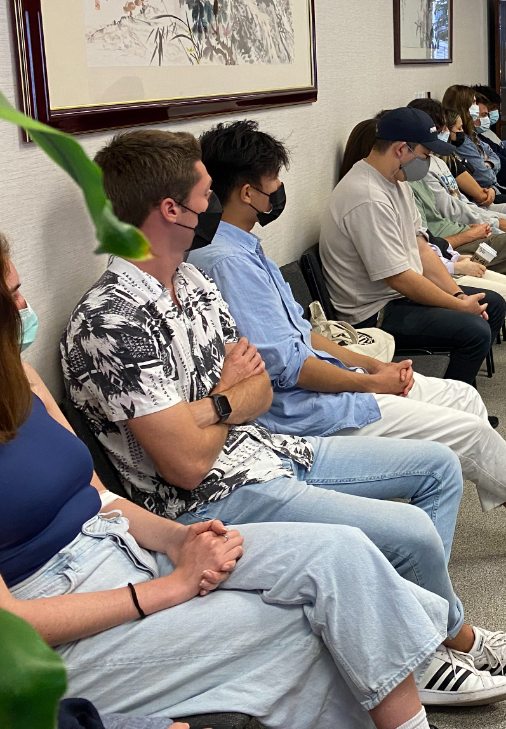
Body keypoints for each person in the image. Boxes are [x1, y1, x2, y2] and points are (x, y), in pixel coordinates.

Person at [60, 130, 506, 707]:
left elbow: (261, 386)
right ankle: (435, 649)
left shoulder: (192, 282)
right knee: (412, 532)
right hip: (216, 498)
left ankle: (419, 637)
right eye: (204, 195)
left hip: (270, 449)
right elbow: (188, 466)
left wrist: (221, 403)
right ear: (171, 210)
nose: (213, 204)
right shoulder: (110, 321)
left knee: (440, 468)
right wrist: (226, 400)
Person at [2, 237, 451, 728]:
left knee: (342, 554)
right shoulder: (108, 319)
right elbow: (11, 625)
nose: (24, 305)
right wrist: (171, 587)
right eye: (11, 296)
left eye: (20, 288)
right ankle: (422, 669)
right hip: (50, 633)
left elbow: (100, 497)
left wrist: (179, 540)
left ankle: (431, 658)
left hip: (125, 546)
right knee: (304, 631)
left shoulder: (19, 376)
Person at [187, 121, 506, 559]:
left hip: (333, 382)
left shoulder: (247, 246)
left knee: (465, 400)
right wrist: (369, 382)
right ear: (248, 192)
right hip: (307, 414)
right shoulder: (228, 262)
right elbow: (290, 368)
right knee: (470, 428)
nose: (280, 189)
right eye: (273, 182)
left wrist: (369, 364)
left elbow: (305, 337)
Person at [321, 107, 506, 388]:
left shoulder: (397, 182)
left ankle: (461, 397)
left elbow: (421, 249)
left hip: (397, 296)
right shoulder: (367, 197)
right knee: (475, 330)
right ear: (401, 149)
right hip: (373, 312)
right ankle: (449, 414)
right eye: (425, 154)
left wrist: (457, 295)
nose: (428, 162)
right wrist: (459, 306)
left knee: (492, 305)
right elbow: (399, 277)